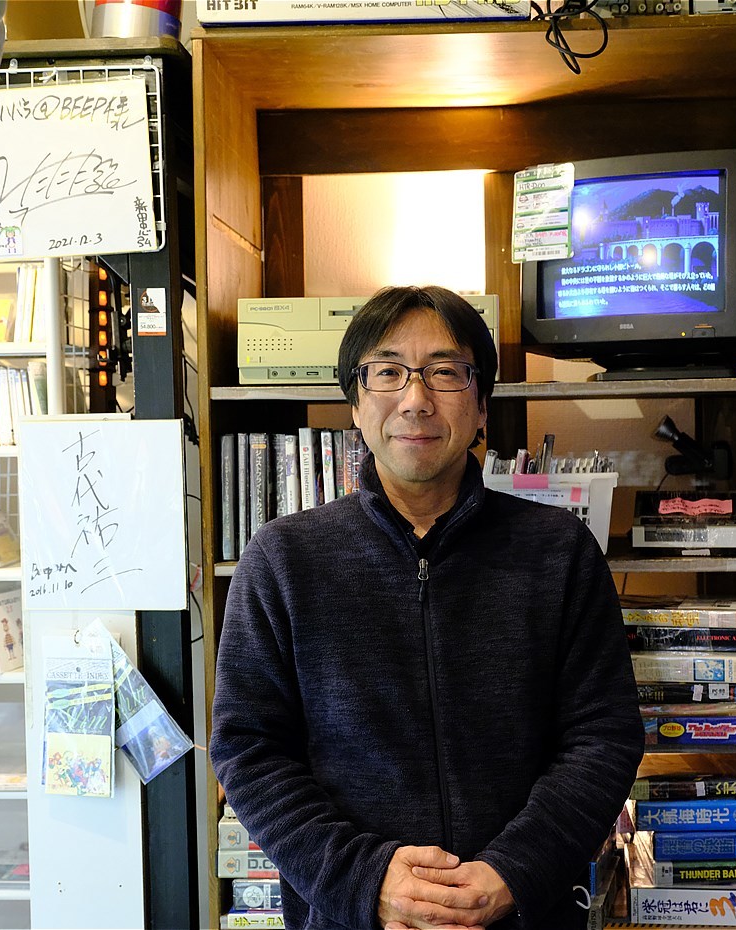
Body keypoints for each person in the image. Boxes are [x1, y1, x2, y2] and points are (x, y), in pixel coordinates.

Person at [210, 285, 642, 930]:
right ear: (356, 404)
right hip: (355, 917)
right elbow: (249, 749)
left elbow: (603, 736)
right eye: (388, 372)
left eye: (445, 372)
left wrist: (513, 872)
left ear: (482, 404)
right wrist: (366, 880)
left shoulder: (558, 551)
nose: (416, 399)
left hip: (524, 912)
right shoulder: (283, 559)